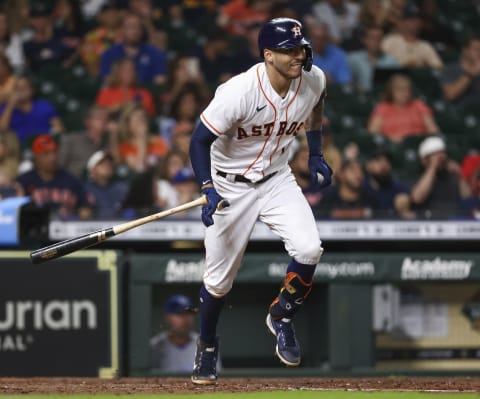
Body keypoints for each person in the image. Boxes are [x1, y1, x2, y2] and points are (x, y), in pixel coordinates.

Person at [188, 18, 332, 384]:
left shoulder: (314, 79)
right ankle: (206, 346)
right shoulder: (238, 92)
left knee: (309, 248)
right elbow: (198, 140)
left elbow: (316, 108)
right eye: (289, 50)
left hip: (276, 178)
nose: (299, 55)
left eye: (301, 47)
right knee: (218, 282)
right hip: (230, 184)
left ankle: (281, 315)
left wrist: (315, 152)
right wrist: (207, 187)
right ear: (268, 55)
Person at [16, 134, 91, 220]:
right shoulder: (24, 181)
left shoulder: (71, 180)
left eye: (54, 152)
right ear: (36, 157)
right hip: (34, 227)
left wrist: (80, 213)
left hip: (68, 229)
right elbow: (16, 212)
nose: (53, 158)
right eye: (46, 154)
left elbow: (86, 209)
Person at [150, 294, 220, 373]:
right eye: (180, 314)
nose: (186, 318)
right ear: (167, 317)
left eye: (189, 313)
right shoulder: (155, 345)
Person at [409, 136, 471, 219]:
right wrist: (433, 167)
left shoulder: (453, 177)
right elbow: (418, 198)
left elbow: (468, 198)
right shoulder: (417, 178)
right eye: (435, 154)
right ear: (424, 161)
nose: (441, 157)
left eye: (442, 153)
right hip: (429, 223)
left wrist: (460, 176)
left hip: (455, 222)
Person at [367, 74, 440, 143]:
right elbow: (373, 132)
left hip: (417, 144)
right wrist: (390, 139)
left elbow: (433, 130)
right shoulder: (382, 108)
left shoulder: (419, 105)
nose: (405, 93)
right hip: (391, 145)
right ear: (391, 91)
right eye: (400, 90)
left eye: (407, 89)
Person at [99, 12, 167, 85]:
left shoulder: (155, 54)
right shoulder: (109, 54)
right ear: (122, 30)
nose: (135, 31)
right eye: (130, 27)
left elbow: (160, 82)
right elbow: (107, 82)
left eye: (137, 27)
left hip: (147, 94)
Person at [0, 76, 64, 146]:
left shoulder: (43, 105)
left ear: (32, 90)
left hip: (45, 144)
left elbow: (59, 128)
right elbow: (2, 130)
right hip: (19, 148)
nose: (21, 90)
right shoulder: (4, 109)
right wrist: (10, 105)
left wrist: (50, 136)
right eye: (17, 88)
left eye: (24, 87)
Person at [381, 4, 443, 70]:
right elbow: (379, 63)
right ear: (403, 22)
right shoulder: (390, 41)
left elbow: (439, 68)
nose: (416, 23)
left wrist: (425, 66)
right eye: (412, 20)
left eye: (418, 20)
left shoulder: (425, 46)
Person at [314, 158, 379, 219]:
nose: (358, 174)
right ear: (340, 174)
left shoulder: (371, 199)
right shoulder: (328, 198)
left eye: (361, 170)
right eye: (352, 170)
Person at [58, 105, 110, 178]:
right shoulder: (72, 140)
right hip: (74, 183)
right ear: (87, 122)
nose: (104, 121)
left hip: (101, 186)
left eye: (106, 118)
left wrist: (114, 136)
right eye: (99, 118)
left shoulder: (110, 142)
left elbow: (116, 166)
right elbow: (59, 166)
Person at [347, 25, 400, 92]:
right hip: (362, 97)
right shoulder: (353, 59)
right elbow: (346, 83)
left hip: (384, 97)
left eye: (379, 38)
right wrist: (356, 87)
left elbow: (399, 80)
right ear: (364, 40)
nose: (376, 41)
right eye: (373, 38)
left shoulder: (391, 60)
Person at [84, 150, 129, 219]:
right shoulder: (85, 189)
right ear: (92, 169)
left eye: (109, 163)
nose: (107, 165)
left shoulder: (122, 188)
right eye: (102, 163)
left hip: (120, 226)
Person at [440, 35, 480, 109]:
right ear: (465, 50)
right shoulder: (450, 69)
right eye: (476, 49)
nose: (479, 53)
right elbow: (450, 95)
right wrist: (470, 74)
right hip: (455, 115)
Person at [307, 21, 352, 85]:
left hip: (332, 91)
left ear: (327, 38)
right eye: (316, 38)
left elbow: (345, 81)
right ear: (310, 37)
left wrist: (332, 80)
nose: (319, 42)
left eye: (322, 38)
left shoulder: (338, 54)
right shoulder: (299, 53)